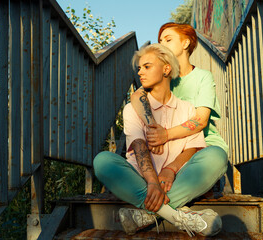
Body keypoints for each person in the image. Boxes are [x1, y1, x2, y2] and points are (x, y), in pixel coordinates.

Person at [94, 43, 226, 237]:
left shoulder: (187, 108)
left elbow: (192, 148)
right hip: (141, 180)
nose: (140, 72)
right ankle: (178, 215)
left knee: (217, 155)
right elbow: (138, 146)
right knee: (103, 161)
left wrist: (170, 169)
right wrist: (153, 182)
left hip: (178, 181)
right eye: (139, 68)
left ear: (166, 69)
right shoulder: (132, 108)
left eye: (147, 66)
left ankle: (145, 215)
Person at [130, 22, 229, 193]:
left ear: (185, 43)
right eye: (160, 40)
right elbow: (137, 96)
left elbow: (200, 120)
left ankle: (153, 209)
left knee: (214, 156)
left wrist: (165, 134)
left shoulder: (202, 77)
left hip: (200, 143)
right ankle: (164, 205)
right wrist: (154, 127)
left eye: (168, 40)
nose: (162, 44)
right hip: (167, 144)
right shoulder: (161, 75)